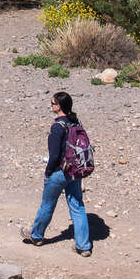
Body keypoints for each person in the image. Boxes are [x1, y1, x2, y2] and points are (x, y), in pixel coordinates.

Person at [23, 90, 92, 256]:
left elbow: (54, 155)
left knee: (47, 204)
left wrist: (48, 173)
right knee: (77, 206)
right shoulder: (75, 122)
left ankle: (36, 236)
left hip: (60, 172)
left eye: (52, 103)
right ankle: (83, 246)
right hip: (75, 171)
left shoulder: (57, 126)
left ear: (59, 106)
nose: (51, 105)